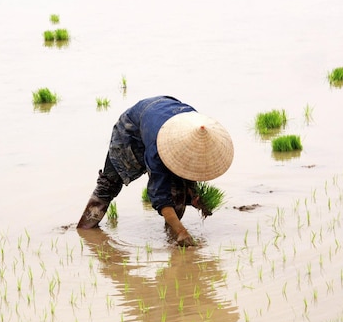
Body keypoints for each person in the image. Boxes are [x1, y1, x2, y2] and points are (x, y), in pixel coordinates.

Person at [77, 95, 234, 246]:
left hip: (162, 113)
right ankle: (85, 230)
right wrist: (182, 231)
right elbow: (159, 196)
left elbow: (187, 173)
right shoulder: (157, 150)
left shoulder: (197, 126)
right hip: (133, 127)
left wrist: (193, 196)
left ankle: (172, 239)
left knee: (179, 188)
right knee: (109, 183)